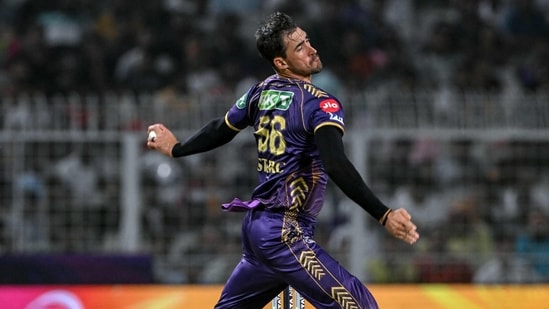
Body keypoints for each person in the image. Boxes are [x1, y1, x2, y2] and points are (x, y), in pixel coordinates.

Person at [147, 11, 419, 309]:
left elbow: (221, 129)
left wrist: (178, 149)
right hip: (285, 232)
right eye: (300, 47)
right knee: (360, 305)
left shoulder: (259, 93)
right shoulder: (319, 102)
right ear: (281, 62)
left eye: (308, 40)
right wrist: (383, 214)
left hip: (259, 230)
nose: (312, 48)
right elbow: (336, 164)